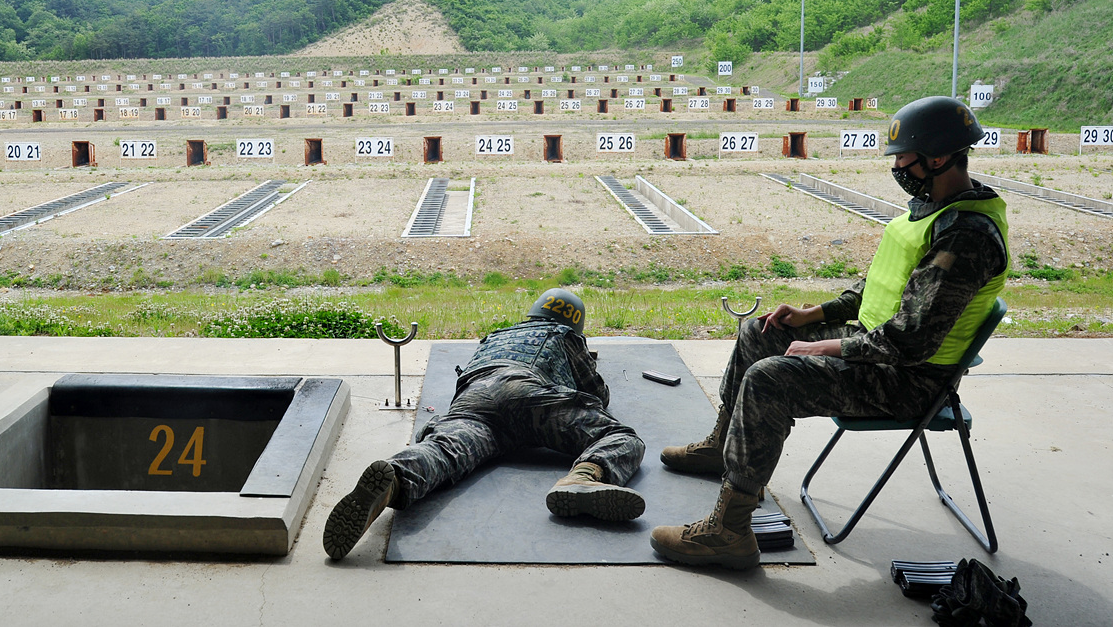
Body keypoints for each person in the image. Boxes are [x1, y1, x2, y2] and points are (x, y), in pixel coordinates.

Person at [650, 96, 1009, 571]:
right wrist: (811, 315)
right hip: (877, 347)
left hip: (911, 380)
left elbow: (910, 341)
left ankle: (729, 532)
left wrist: (830, 345)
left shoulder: (965, 235)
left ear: (937, 158)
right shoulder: (931, 208)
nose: (897, 165)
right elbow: (877, 289)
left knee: (769, 379)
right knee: (761, 333)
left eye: (903, 157)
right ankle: (725, 448)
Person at [323, 288, 647, 560]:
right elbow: (597, 393)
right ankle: (583, 478)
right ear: (574, 322)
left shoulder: (496, 336)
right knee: (619, 437)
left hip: (475, 397)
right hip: (526, 394)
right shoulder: (562, 333)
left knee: (445, 451)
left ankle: (396, 477)